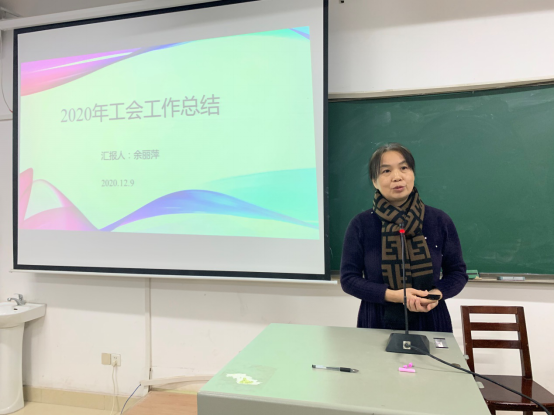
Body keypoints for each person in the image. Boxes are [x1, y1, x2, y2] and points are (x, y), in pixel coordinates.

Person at [340, 143, 468, 332]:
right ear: (374, 181)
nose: (397, 177)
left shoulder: (439, 220)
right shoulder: (361, 224)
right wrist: (395, 296)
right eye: (386, 171)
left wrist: (435, 295)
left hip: (431, 319)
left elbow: (457, 273)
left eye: (404, 168)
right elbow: (349, 279)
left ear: (413, 174)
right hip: (377, 321)